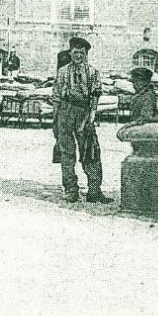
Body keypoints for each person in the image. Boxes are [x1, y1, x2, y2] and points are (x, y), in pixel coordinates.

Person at [51, 36, 113, 204]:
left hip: (84, 113)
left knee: (90, 152)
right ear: (70, 53)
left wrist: (91, 116)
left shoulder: (93, 72)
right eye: (75, 52)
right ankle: (71, 190)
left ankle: (94, 190)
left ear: (86, 54)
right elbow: (56, 96)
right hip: (65, 112)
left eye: (82, 53)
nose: (78, 56)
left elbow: (95, 97)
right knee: (67, 153)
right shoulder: (62, 72)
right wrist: (56, 118)